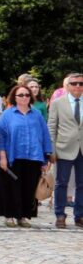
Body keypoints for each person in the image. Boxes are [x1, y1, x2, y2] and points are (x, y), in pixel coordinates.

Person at [0, 84, 53, 228]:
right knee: (10, 187)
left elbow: (45, 135)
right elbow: (0, 136)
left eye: (27, 95)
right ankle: (9, 215)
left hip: (33, 157)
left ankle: (24, 216)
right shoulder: (7, 114)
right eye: (21, 95)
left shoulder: (37, 115)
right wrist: (2, 156)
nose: (24, 97)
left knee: (29, 187)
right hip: (12, 157)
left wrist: (46, 157)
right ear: (14, 97)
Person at [47, 73, 83, 228]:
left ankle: (80, 215)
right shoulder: (57, 103)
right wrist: (51, 150)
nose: (77, 86)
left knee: (82, 184)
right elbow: (51, 127)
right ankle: (60, 214)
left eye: (81, 83)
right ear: (67, 86)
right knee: (61, 183)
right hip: (63, 149)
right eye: (74, 83)